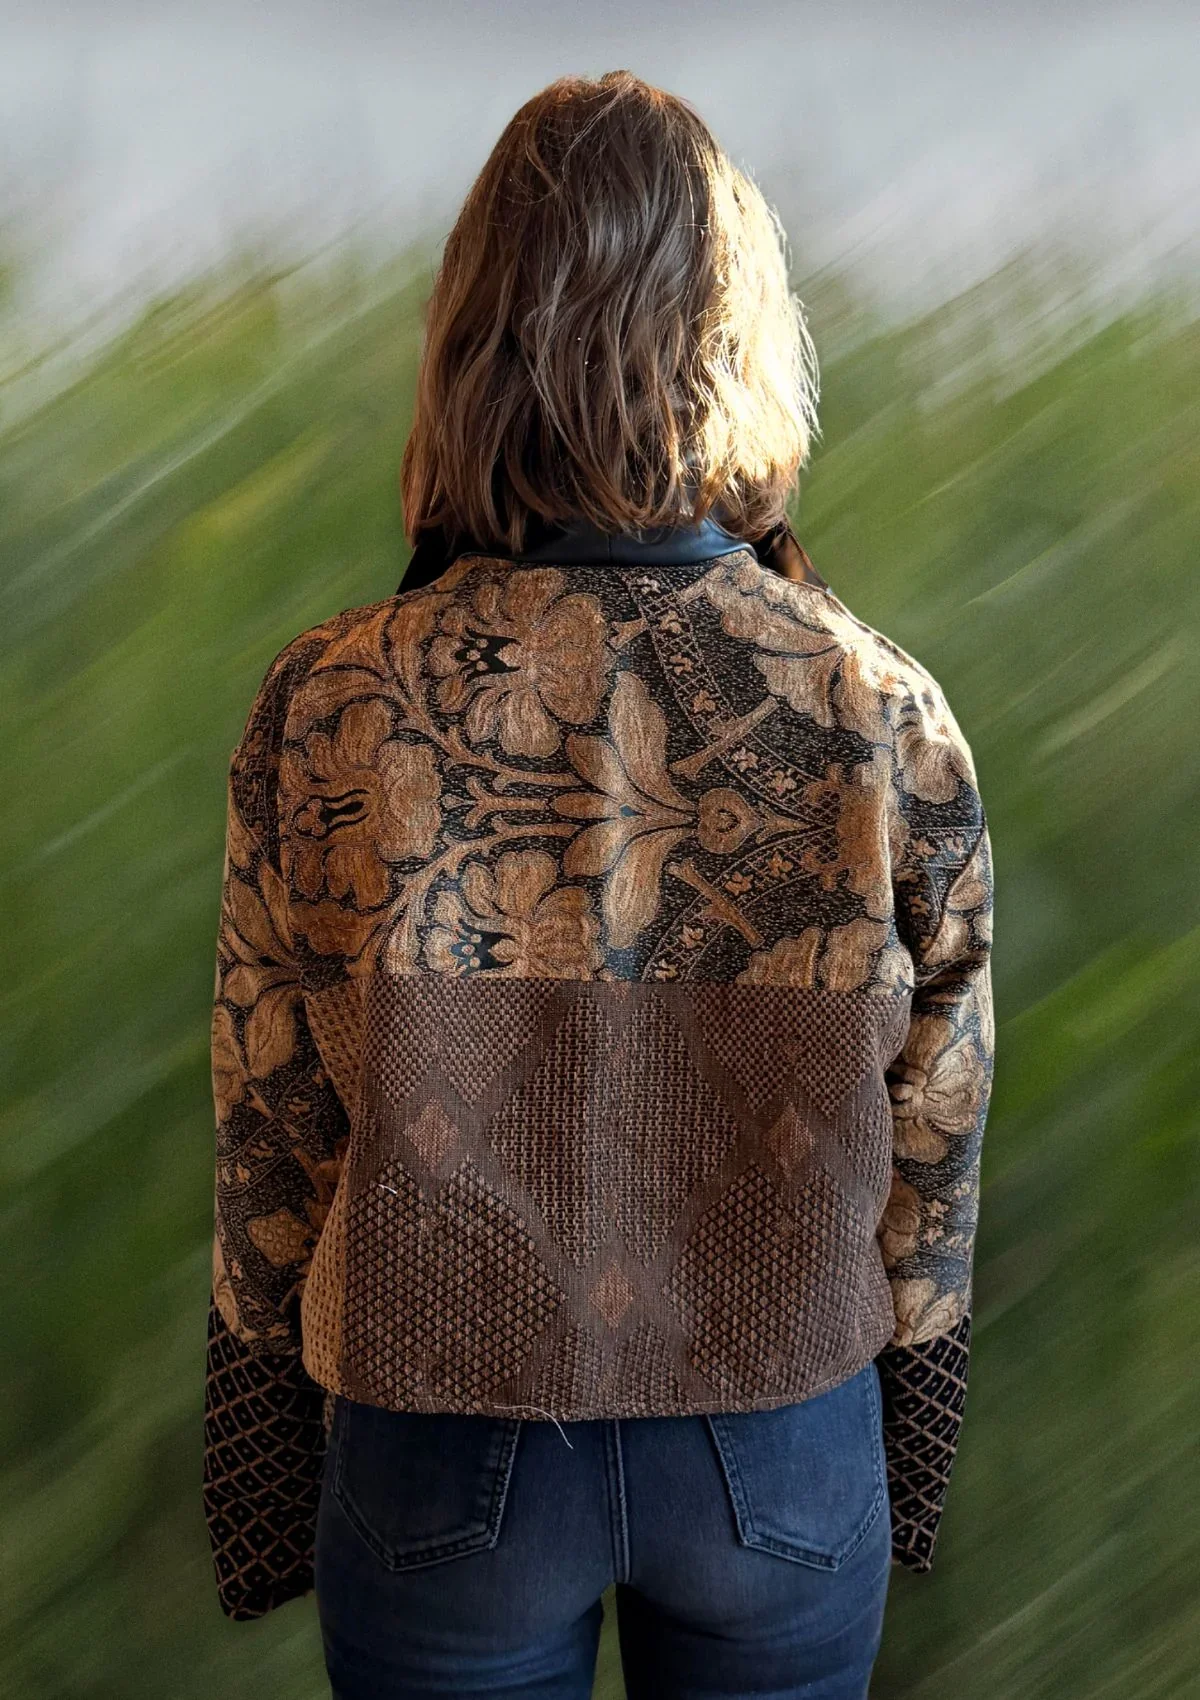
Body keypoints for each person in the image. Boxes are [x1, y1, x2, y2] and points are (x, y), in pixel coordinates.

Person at [201, 69, 995, 1700]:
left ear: (473, 346)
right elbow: (937, 1128)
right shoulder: (875, 709)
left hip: (438, 1438)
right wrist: (904, 1457)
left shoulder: (335, 701)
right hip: (778, 1445)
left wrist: (263, 1470)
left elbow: (269, 1123)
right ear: (738, 340)